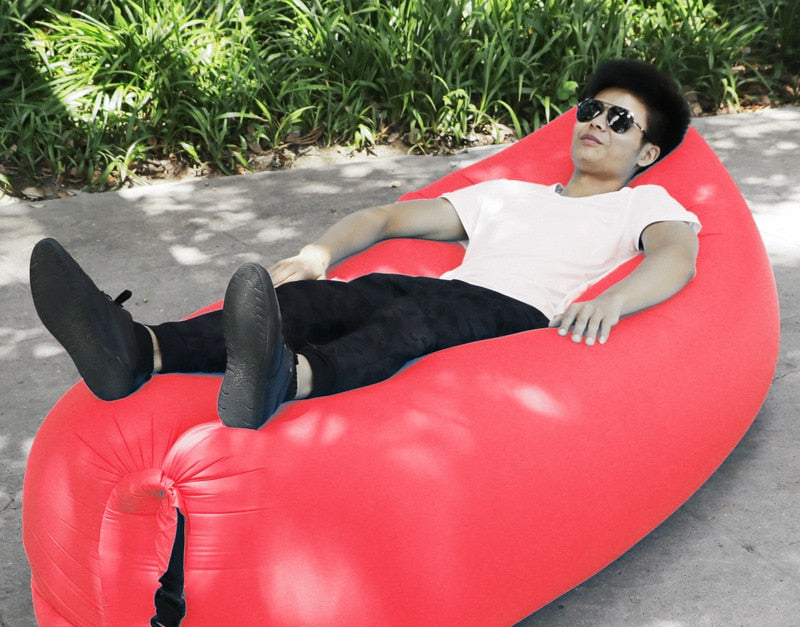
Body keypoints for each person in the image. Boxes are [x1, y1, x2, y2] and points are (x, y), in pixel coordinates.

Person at [30, 59, 700, 430]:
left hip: (514, 312)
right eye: (590, 109)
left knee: (410, 322)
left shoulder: (642, 204)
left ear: (646, 151)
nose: (596, 123)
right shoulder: (509, 195)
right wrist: (319, 254)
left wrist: (613, 301)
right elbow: (384, 220)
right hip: (445, 289)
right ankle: (137, 349)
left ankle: (287, 379)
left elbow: (677, 255)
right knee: (321, 301)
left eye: (619, 120)